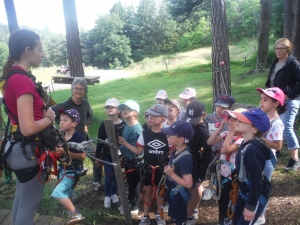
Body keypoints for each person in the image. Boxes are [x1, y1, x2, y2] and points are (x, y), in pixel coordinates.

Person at [2, 29, 56, 225]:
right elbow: (27, 127)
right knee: (27, 210)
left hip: (19, 150)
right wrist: (49, 118)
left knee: (21, 203)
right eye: (39, 49)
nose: (42, 54)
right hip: (28, 153)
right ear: (27, 50)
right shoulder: (23, 81)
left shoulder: (11, 77)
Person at [121, 104, 169, 225]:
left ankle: (159, 215)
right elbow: (138, 151)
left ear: (163, 119)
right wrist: (125, 143)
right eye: (149, 115)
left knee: (160, 193)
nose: (149, 118)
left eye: (154, 116)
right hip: (148, 168)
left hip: (162, 169)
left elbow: (172, 151)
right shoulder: (145, 133)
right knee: (147, 192)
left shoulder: (167, 134)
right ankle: (146, 215)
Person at [51, 78, 100, 191]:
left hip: (83, 139)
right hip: (69, 141)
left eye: (81, 89)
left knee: (97, 157)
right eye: (76, 88)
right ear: (72, 90)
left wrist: (87, 124)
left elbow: (89, 115)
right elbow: (51, 112)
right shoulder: (65, 104)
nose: (79, 91)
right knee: (67, 164)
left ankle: (96, 182)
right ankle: (66, 189)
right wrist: (61, 123)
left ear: (85, 91)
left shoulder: (85, 104)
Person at [230, 108, 271, 225]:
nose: (237, 121)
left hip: (254, 197)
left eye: (242, 121)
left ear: (254, 129)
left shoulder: (252, 150)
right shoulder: (245, 144)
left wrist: (251, 206)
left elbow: (256, 181)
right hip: (246, 193)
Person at [265, 38, 300, 171]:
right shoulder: (276, 61)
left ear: (288, 50)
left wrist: (288, 95)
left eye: (282, 48)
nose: (278, 51)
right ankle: (275, 150)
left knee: (287, 128)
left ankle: (295, 159)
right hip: (276, 99)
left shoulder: (292, 63)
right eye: (277, 48)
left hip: (290, 100)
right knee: (274, 125)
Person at [254, 87, 286, 225]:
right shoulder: (264, 117)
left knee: (263, 185)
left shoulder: (277, 123)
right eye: (261, 99)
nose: (261, 102)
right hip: (258, 157)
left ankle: (261, 214)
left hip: (267, 159)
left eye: (265, 100)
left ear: (276, 103)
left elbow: (278, 146)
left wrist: (261, 138)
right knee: (255, 183)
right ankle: (254, 209)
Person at [207, 110, 244, 225]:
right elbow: (210, 142)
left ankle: (228, 220)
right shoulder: (225, 134)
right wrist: (220, 128)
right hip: (221, 174)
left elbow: (225, 150)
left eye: (234, 119)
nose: (230, 122)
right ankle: (222, 220)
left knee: (230, 201)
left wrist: (231, 133)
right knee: (221, 200)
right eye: (229, 119)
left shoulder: (241, 140)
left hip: (232, 176)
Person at [51, 109, 86, 225]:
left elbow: (82, 156)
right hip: (63, 168)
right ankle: (72, 217)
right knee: (67, 193)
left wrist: (65, 152)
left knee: (58, 193)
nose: (61, 122)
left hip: (73, 170)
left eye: (65, 120)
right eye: (60, 120)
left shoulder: (79, 138)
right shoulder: (60, 136)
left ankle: (75, 213)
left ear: (74, 124)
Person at [183, 101, 213, 224]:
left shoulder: (203, 132)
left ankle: (190, 215)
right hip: (186, 161)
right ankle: (193, 209)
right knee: (195, 187)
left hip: (196, 164)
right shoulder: (188, 124)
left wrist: (201, 171)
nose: (191, 121)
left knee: (193, 188)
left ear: (204, 115)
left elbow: (208, 154)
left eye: (195, 119)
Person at [161, 121, 194, 225]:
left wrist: (171, 174)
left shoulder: (185, 159)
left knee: (179, 219)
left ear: (181, 139)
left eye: (170, 135)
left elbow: (188, 183)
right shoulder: (177, 151)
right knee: (176, 217)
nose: (167, 136)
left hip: (180, 196)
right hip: (175, 193)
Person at [95, 98, 126, 208]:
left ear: (118, 110)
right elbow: (99, 141)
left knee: (117, 175)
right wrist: (97, 157)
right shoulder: (104, 124)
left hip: (120, 155)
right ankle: (107, 196)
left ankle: (114, 193)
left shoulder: (123, 125)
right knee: (109, 175)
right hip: (107, 155)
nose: (109, 109)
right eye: (107, 107)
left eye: (112, 107)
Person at [118, 100, 143, 215]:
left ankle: (135, 205)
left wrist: (124, 143)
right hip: (128, 161)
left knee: (135, 185)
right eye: (123, 109)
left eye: (128, 109)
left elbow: (137, 151)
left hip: (136, 163)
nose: (125, 111)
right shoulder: (127, 125)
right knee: (130, 183)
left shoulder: (137, 129)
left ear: (135, 113)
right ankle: (129, 201)